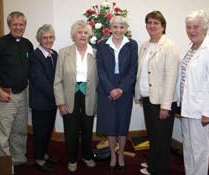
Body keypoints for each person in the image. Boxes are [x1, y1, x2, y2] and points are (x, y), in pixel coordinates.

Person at [0, 11, 34, 173]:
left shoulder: (28, 44)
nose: (18, 27)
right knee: (2, 135)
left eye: (21, 24)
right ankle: (3, 168)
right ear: (9, 25)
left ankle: (18, 159)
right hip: (4, 95)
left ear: (25, 26)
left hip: (22, 94)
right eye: (15, 24)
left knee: (20, 130)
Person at [180, 10, 209, 175]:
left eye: (195, 27)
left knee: (199, 150)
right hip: (187, 107)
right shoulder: (192, 47)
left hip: (201, 111)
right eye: (188, 27)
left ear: (204, 28)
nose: (191, 30)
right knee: (189, 146)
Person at [135, 11, 180, 175]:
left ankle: (159, 170)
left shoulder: (170, 46)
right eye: (149, 23)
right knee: (153, 135)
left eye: (156, 23)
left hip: (163, 101)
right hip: (148, 98)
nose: (152, 26)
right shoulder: (145, 45)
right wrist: (140, 94)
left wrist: (165, 106)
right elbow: (142, 72)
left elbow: (171, 78)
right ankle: (154, 164)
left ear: (163, 26)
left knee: (162, 138)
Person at [96, 16, 138, 174]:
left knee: (122, 124)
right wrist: (110, 89)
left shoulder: (132, 45)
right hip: (107, 90)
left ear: (125, 28)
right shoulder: (102, 46)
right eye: (115, 27)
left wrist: (121, 89)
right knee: (110, 125)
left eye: (121, 27)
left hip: (124, 90)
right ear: (110, 28)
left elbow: (133, 70)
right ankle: (113, 155)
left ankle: (121, 155)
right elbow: (100, 70)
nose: (118, 30)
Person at [53, 20, 97, 172]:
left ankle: (87, 156)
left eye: (85, 33)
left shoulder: (95, 53)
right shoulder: (64, 52)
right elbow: (57, 80)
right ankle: (72, 159)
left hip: (89, 96)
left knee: (87, 128)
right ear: (73, 35)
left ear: (90, 35)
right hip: (69, 96)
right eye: (79, 32)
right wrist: (60, 102)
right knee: (71, 130)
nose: (83, 35)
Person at [29, 24, 58, 172]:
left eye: (50, 37)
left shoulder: (54, 54)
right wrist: (58, 97)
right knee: (40, 132)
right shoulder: (35, 56)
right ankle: (39, 160)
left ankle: (44, 154)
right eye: (45, 37)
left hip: (52, 101)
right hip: (41, 101)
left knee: (48, 131)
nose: (48, 40)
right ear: (39, 39)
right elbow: (41, 81)